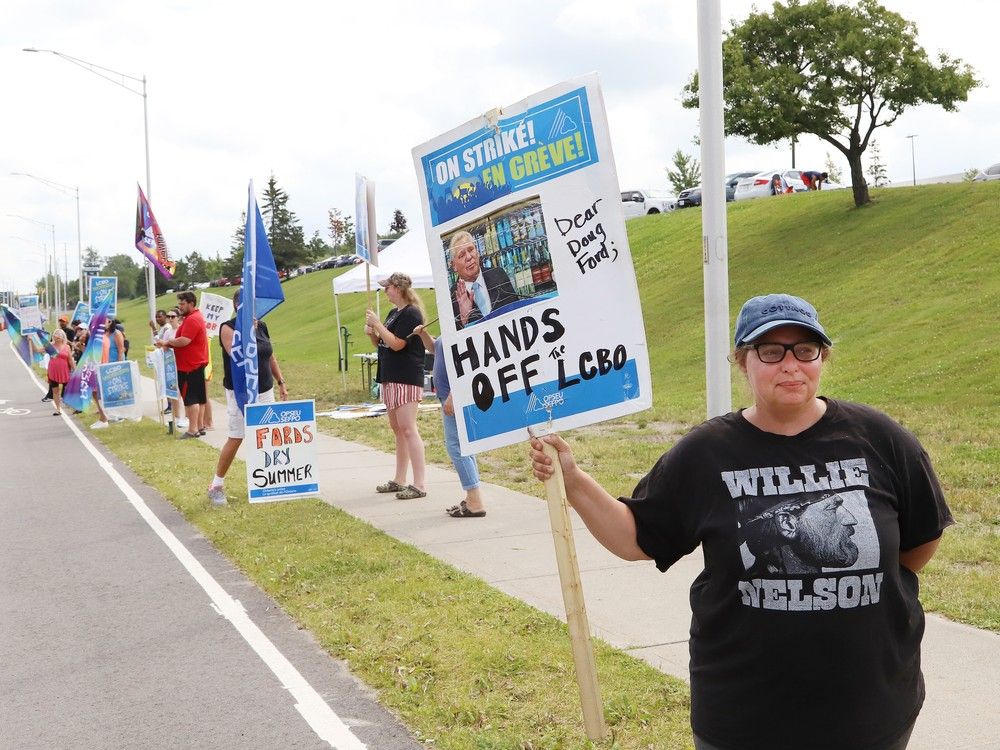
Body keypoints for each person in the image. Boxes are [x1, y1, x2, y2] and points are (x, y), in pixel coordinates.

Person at [528, 293, 952, 750]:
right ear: (742, 362)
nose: (791, 365)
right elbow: (635, 537)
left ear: (821, 357)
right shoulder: (706, 453)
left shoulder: (880, 438)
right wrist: (572, 480)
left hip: (872, 713)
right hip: (745, 719)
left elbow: (919, 542)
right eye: (770, 351)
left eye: (805, 350)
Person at [207, 288, 288, 506]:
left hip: (264, 389)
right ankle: (216, 485)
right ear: (237, 306)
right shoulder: (227, 328)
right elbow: (238, 354)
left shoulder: (262, 325)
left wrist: (280, 381)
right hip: (240, 392)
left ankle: (267, 481)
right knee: (237, 436)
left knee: (266, 435)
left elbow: (269, 355)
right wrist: (247, 333)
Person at [364, 272, 428, 500]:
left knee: (409, 428)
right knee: (397, 429)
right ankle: (399, 479)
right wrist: (373, 332)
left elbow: (398, 344)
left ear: (398, 288)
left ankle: (419, 483)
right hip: (390, 375)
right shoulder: (393, 313)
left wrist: (378, 325)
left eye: (387, 287)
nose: (385, 291)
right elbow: (382, 343)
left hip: (406, 376)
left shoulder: (411, 313)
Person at [413, 324, 487, 517]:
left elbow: (466, 367)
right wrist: (423, 335)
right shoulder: (449, 328)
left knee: (456, 447)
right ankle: (473, 496)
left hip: (455, 399)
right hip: (447, 398)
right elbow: (435, 348)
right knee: (464, 447)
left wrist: (453, 396)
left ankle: (475, 500)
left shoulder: (462, 330)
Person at [155, 291, 208, 439]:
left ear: (191, 304)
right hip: (194, 363)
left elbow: (185, 340)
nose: (180, 306)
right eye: (179, 303)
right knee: (198, 398)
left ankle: (192, 430)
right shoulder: (194, 317)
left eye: (182, 304)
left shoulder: (192, 319)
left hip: (189, 365)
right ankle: (199, 426)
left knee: (191, 399)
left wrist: (168, 342)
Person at [448, 230, 518, 330]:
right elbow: (453, 339)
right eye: (462, 255)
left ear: (477, 252)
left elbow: (517, 309)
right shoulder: (452, 296)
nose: (469, 257)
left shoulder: (498, 274)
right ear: (454, 265)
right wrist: (464, 319)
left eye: (471, 249)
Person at [32, 329, 74, 416]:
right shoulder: (50, 346)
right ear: (53, 337)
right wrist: (31, 340)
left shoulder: (67, 347)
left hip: (65, 371)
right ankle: (58, 409)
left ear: (63, 337)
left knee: (67, 390)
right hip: (53, 371)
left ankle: (71, 404)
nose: (57, 336)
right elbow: (37, 350)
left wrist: (75, 370)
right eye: (55, 334)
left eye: (59, 334)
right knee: (55, 391)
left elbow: (70, 360)